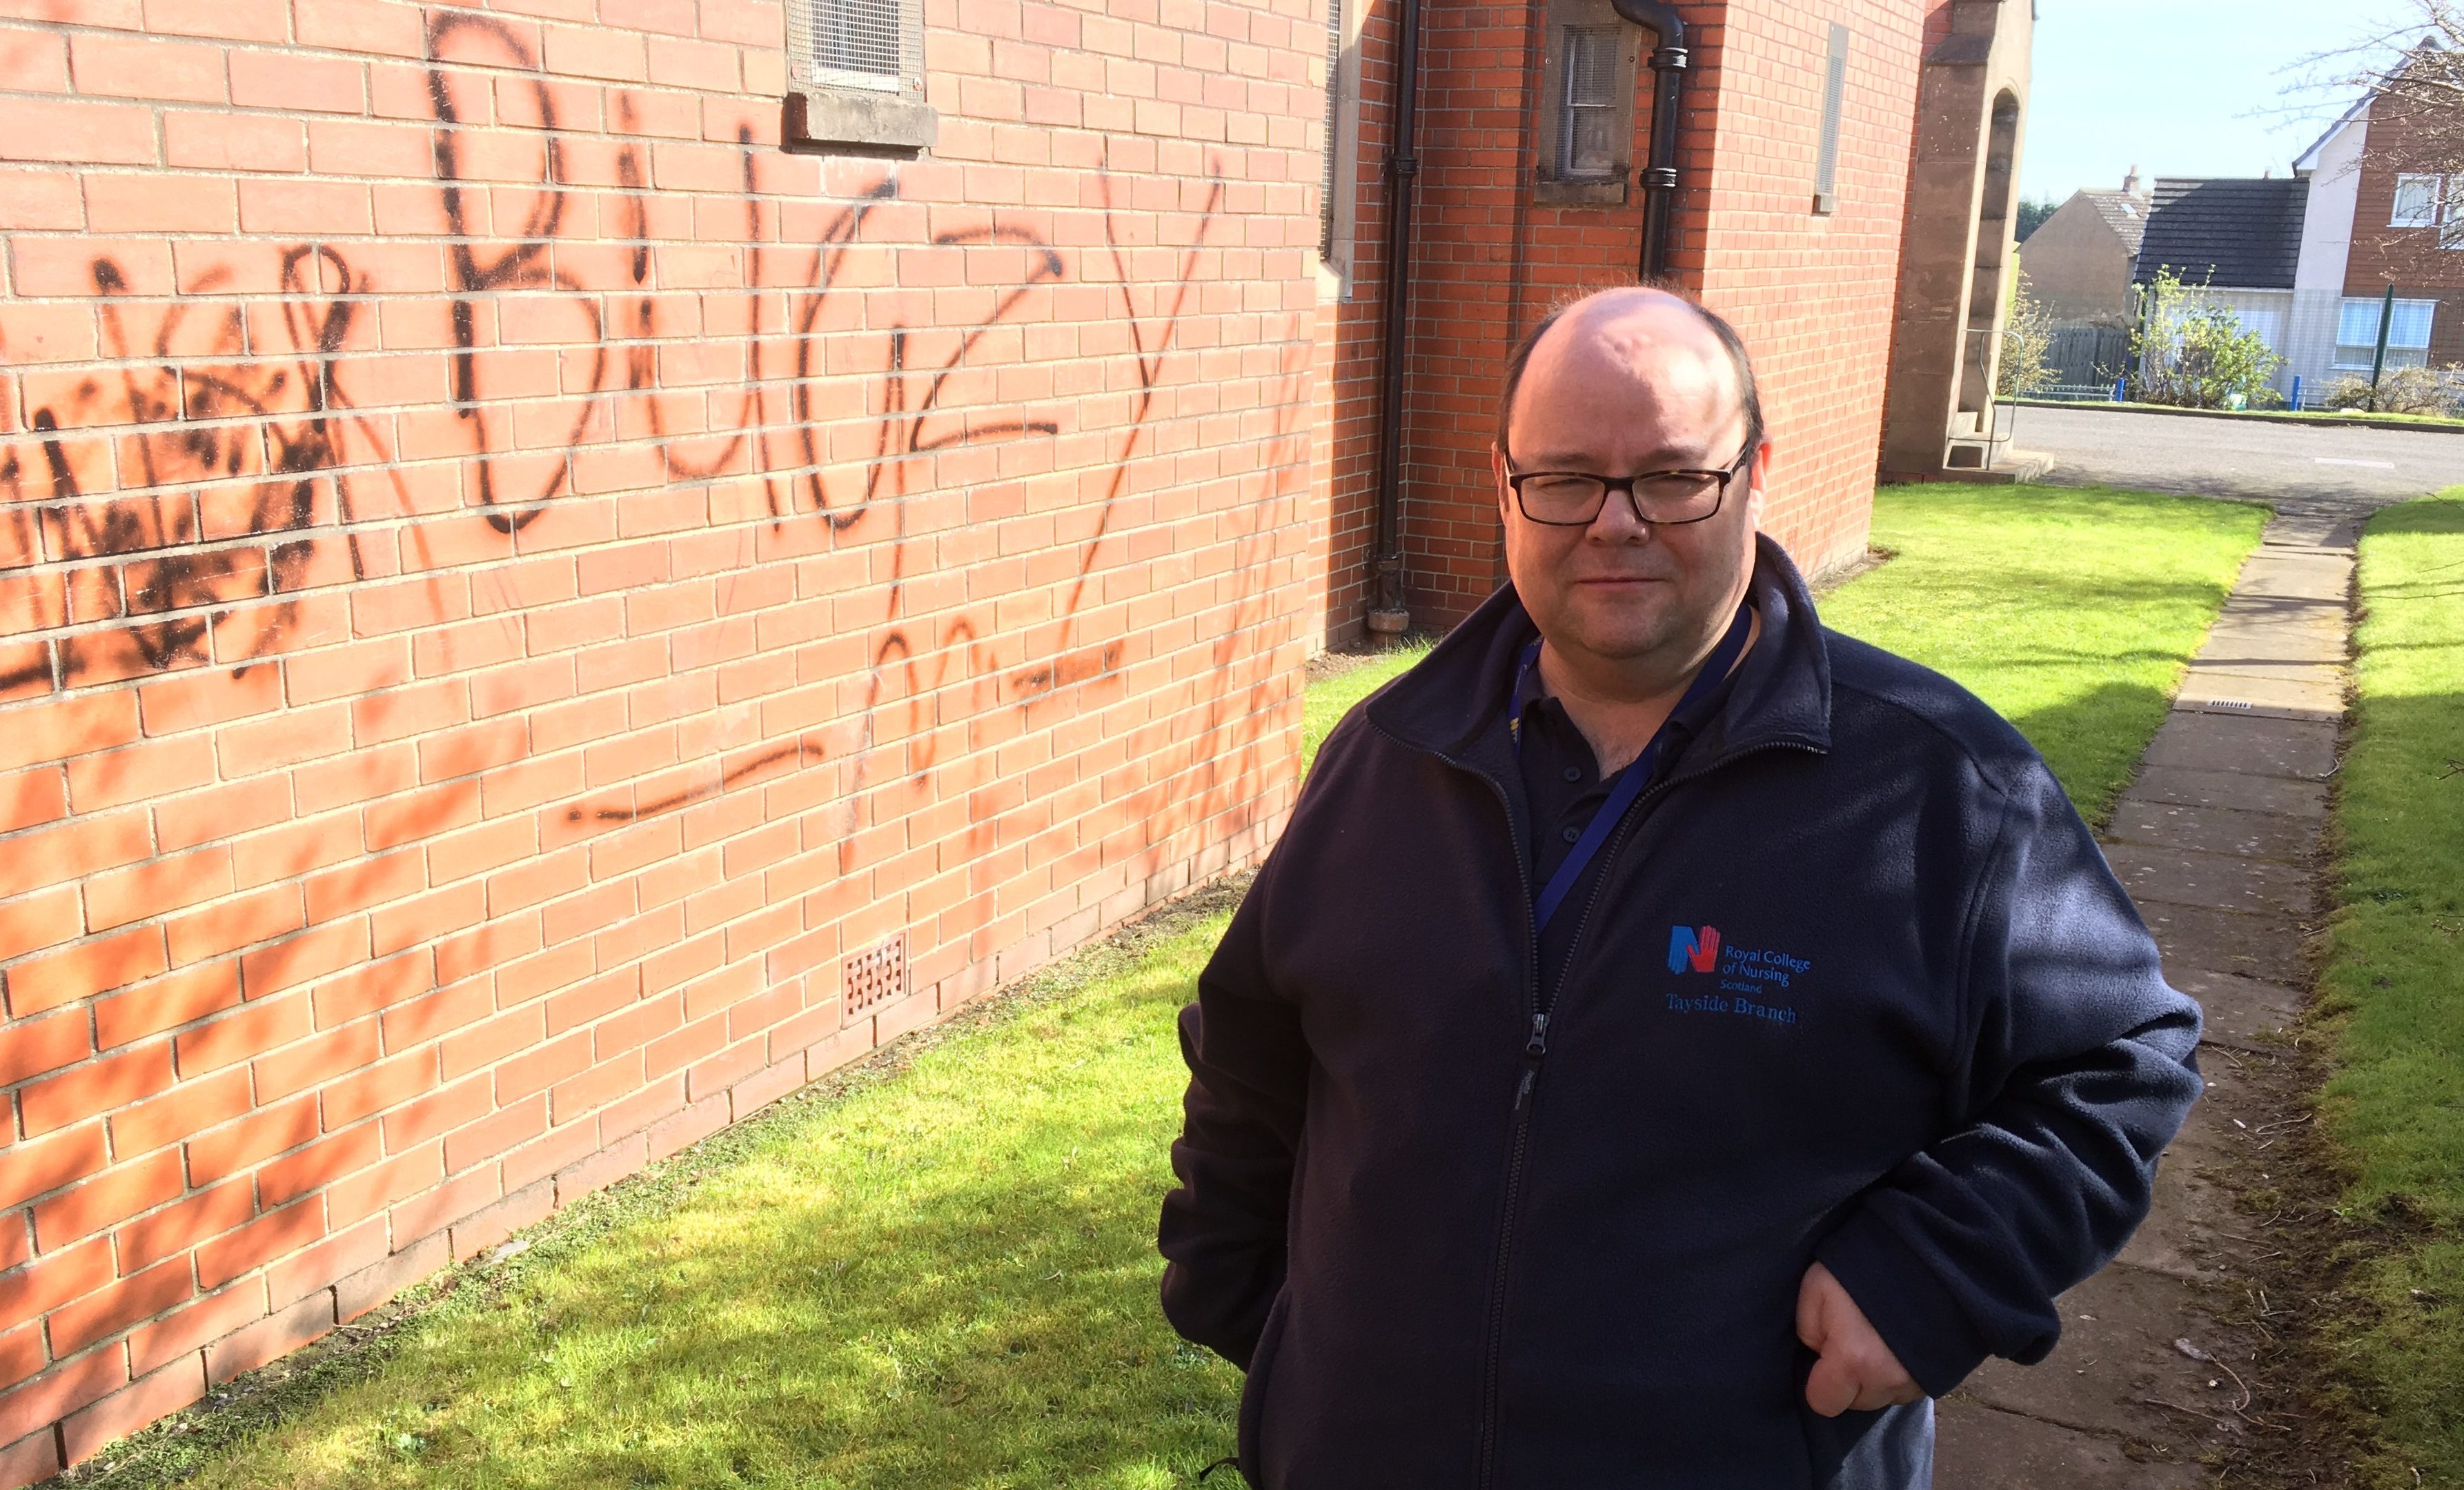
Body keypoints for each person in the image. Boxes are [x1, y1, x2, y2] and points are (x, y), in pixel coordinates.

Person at [1154, 286, 2203, 1489]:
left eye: (1669, 477)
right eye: (1564, 478)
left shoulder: (1936, 790)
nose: (1614, 523)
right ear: (1506, 485)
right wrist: (1251, 1307)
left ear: (1754, 472)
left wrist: (1939, 1271)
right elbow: (1251, 1050)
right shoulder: (1387, 757)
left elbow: (2123, 1058)